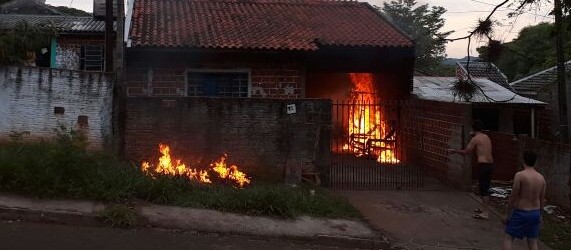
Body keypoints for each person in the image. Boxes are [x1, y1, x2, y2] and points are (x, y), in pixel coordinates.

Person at [447, 119, 494, 219]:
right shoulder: (486, 137)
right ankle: (483, 208)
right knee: (484, 187)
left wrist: (454, 151)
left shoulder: (475, 139)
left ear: (473, 128)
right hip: (490, 164)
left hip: (484, 165)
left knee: (484, 189)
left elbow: (466, 152)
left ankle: (485, 213)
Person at [502, 151, 545, 250]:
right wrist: (540, 215)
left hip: (521, 212)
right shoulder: (541, 178)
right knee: (533, 241)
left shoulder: (520, 175)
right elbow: (542, 199)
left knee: (508, 237)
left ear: (523, 161)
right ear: (535, 162)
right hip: (535, 213)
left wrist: (507, 214)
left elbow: (513, 195)